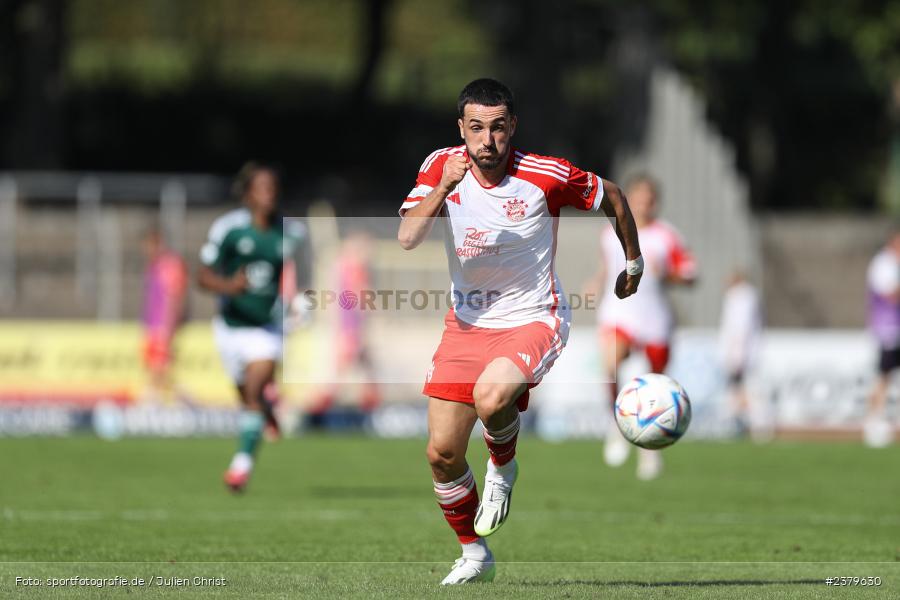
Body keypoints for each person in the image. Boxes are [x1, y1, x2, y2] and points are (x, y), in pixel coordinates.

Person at [397, 78, 642, 585]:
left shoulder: (545, 174)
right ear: (461, 129)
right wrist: (443, 185)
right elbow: (407, 237)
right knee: (441, 454)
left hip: (534, 316)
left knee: (492, 397)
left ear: (513, 128)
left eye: (498, 128)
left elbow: (612, 196)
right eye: (477, 128)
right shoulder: (439, 165)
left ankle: (502, 467)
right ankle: (474, 553)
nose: (487, 141)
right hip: (466, 324)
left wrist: (633, 261)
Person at [197, 162, 306, 492]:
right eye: (261, 187)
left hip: (266, 328)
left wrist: (304, 302)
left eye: (273, 187)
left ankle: (240, 466)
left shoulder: (291, 232)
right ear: (247, 193)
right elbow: (202, 275)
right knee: (248, 397)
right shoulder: (228, 229)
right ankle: (266, 410)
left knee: (254, 392)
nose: (269, 194)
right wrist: (228, 286)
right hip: (230, 327)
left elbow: (304, 272)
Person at [594, 174, 696, 480]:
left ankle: (650, 450)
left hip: (654, 317)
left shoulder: (667, 236)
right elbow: (608, 265)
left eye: (649, 196)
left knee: (656, 387)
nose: (643, 202)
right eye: (637, 195)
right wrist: (595, 282)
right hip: (619, 311)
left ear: (656, 201)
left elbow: (689, 274)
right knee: (610, 364)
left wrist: (669, 275)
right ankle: (617, 423)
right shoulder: (610, 231)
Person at [140, 226, 188, 403]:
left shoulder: (170, 265)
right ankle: (174, 398)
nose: (146, 250)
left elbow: (174, 297)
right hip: (152, 325)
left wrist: (169, 327)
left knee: (160, 367)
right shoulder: (153, 266)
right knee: (156, 367)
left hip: (162, 326)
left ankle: (158, 400)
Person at [864, 232, 900, 447]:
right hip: (886, 329)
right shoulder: (883, 263)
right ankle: (873, 421)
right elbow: (889, 294)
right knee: (883, 376)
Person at [718, 270, 763, 436]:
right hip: (740, 352)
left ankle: (759, 426)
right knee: (736, 391)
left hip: (742, 353)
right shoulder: (740, 296)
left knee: (750, 389)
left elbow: (741, 327)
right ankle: (737, 426)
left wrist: (737, 354)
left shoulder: (742, 296)